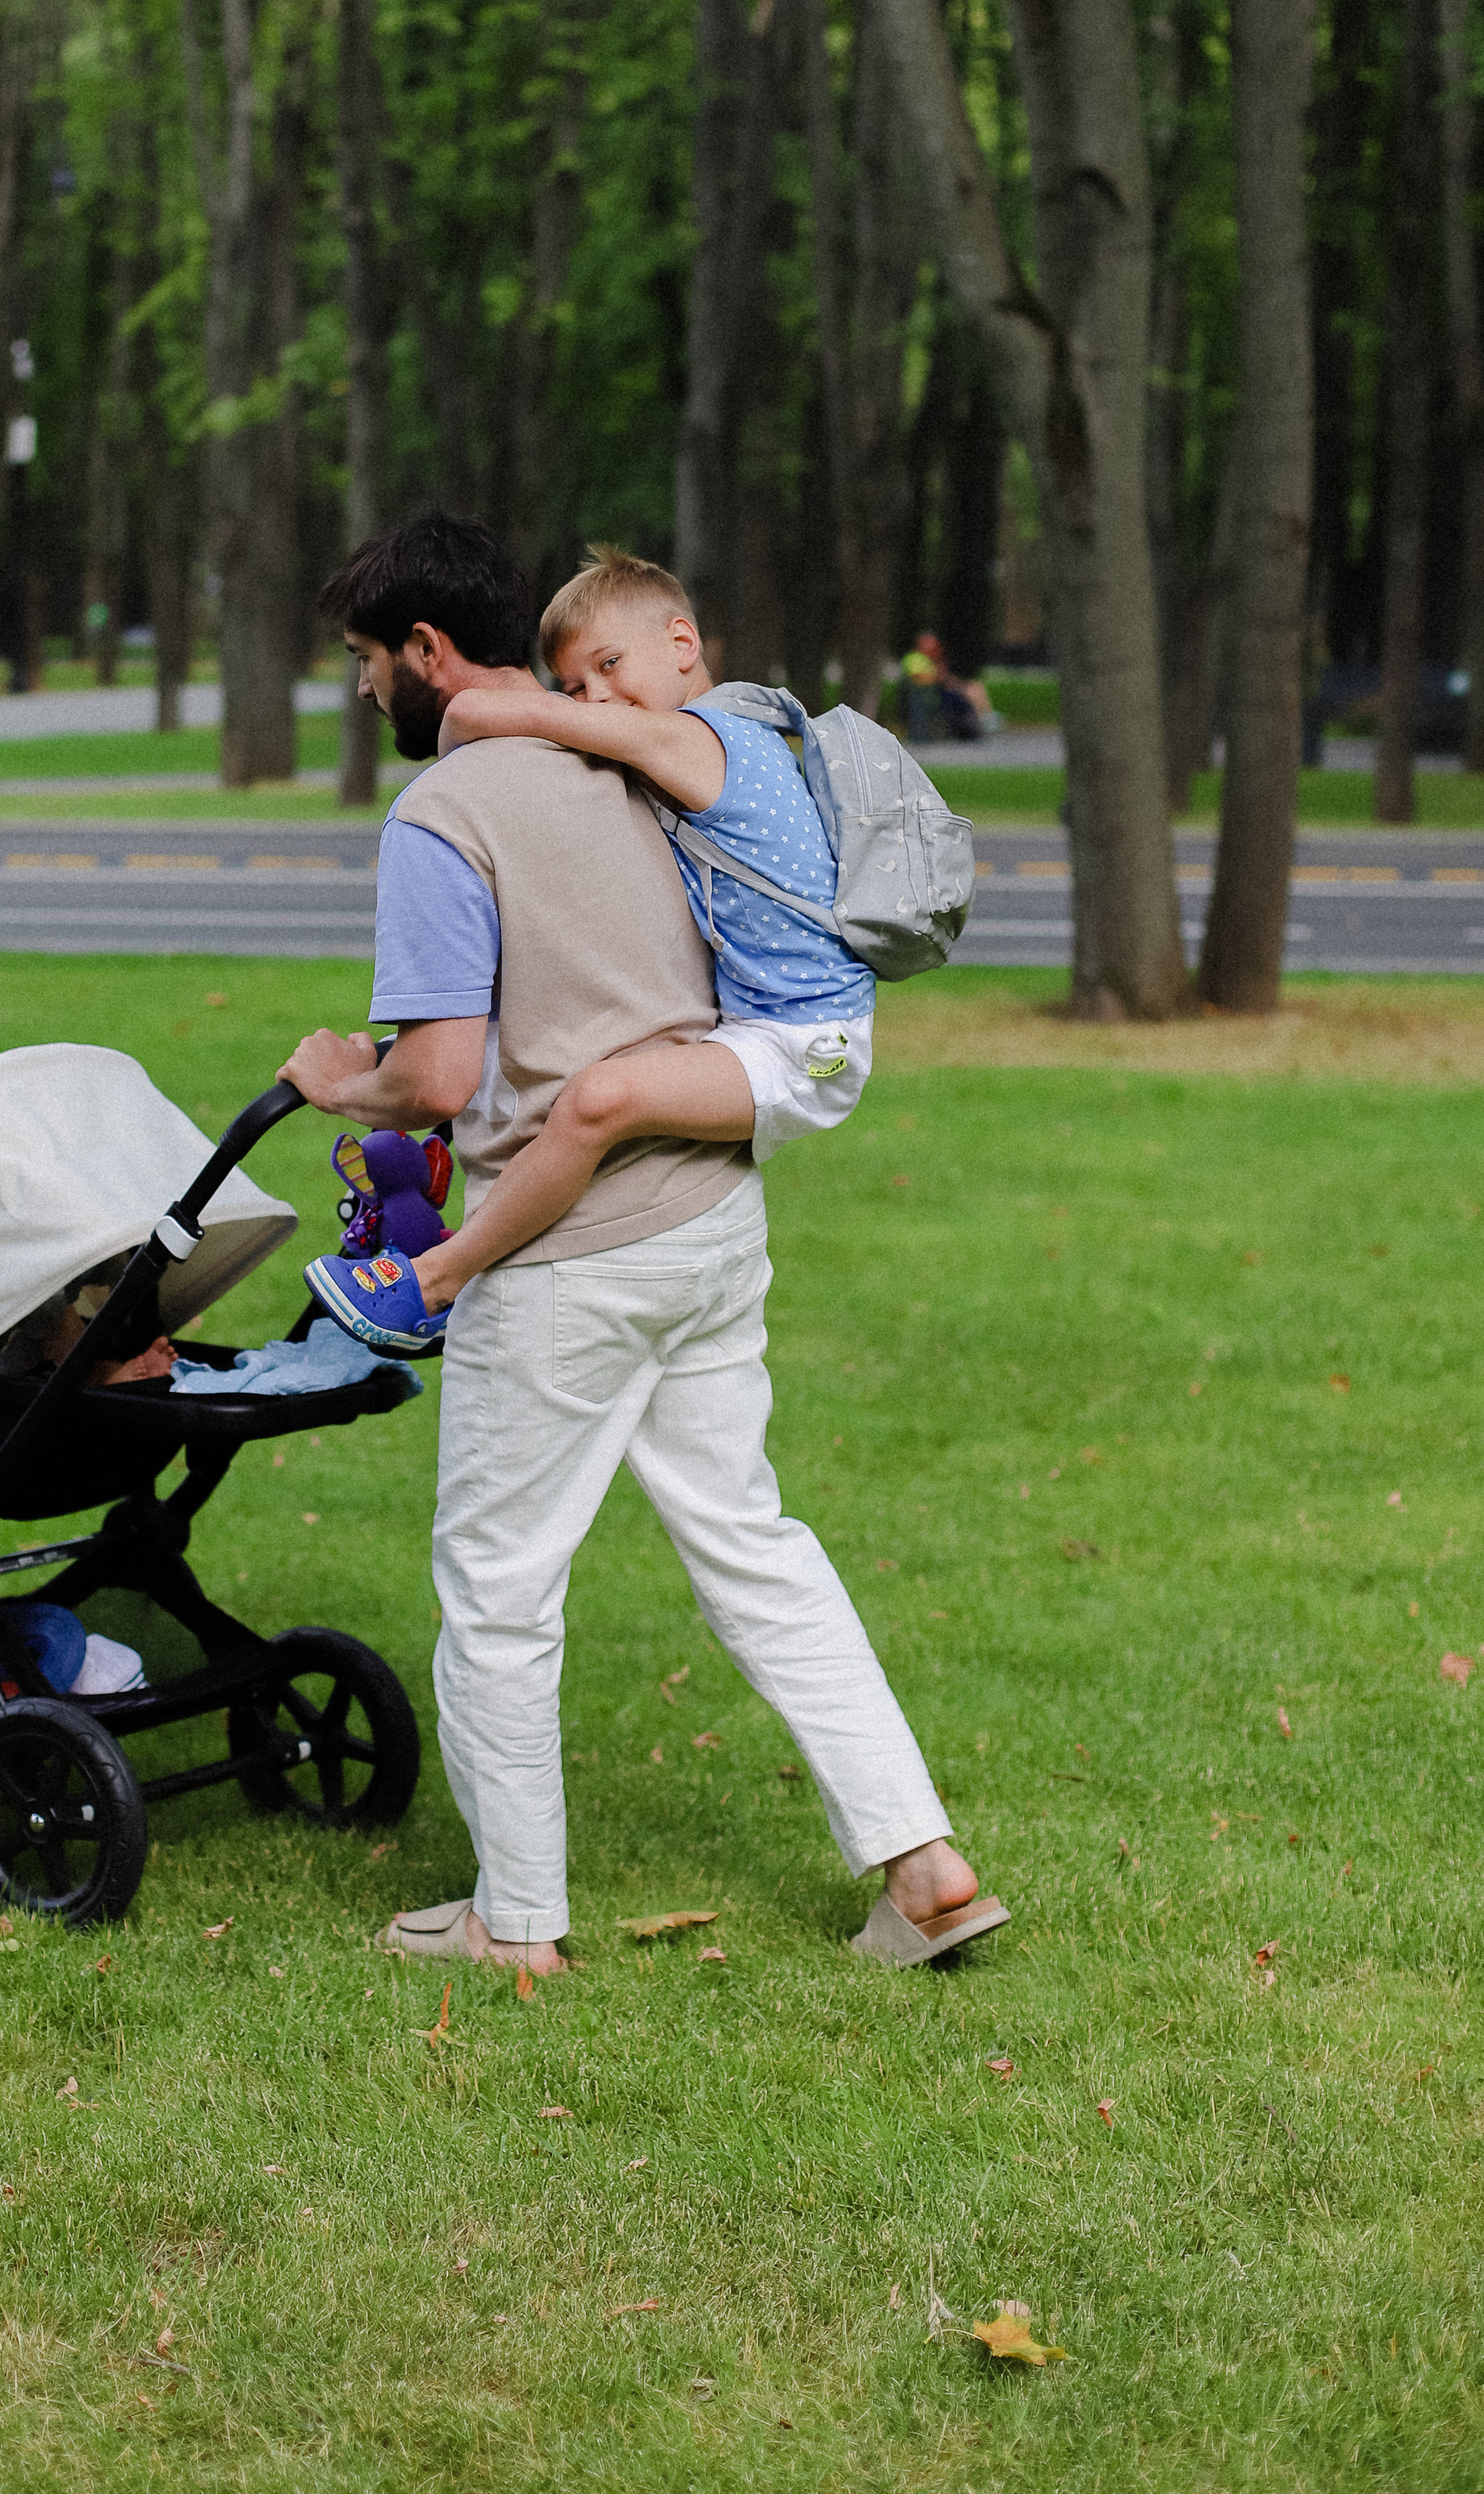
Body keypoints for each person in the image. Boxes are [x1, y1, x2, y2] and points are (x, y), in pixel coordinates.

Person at [277, 513, 1005, 1977]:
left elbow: (439, 1072)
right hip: (713, 1217)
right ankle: (924, 1867)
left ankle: (516, 1923)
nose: (362, 689)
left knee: (499, 1585)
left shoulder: (442, 814)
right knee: (752, 1542)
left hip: (567, 1258)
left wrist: (338, 1081)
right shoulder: (643, 763)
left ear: (427, 651)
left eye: (366, 660)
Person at [303, 548, 873, 1355]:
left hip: (807, 1051)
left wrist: (469, 718)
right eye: (575, 684)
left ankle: (435, 1280)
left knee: (597, 1102)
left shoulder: (695, 741)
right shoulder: (679, 759)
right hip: (735, 1160)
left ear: (682, 642)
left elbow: (436, 1082)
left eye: (609, 666)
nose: (597, 697)